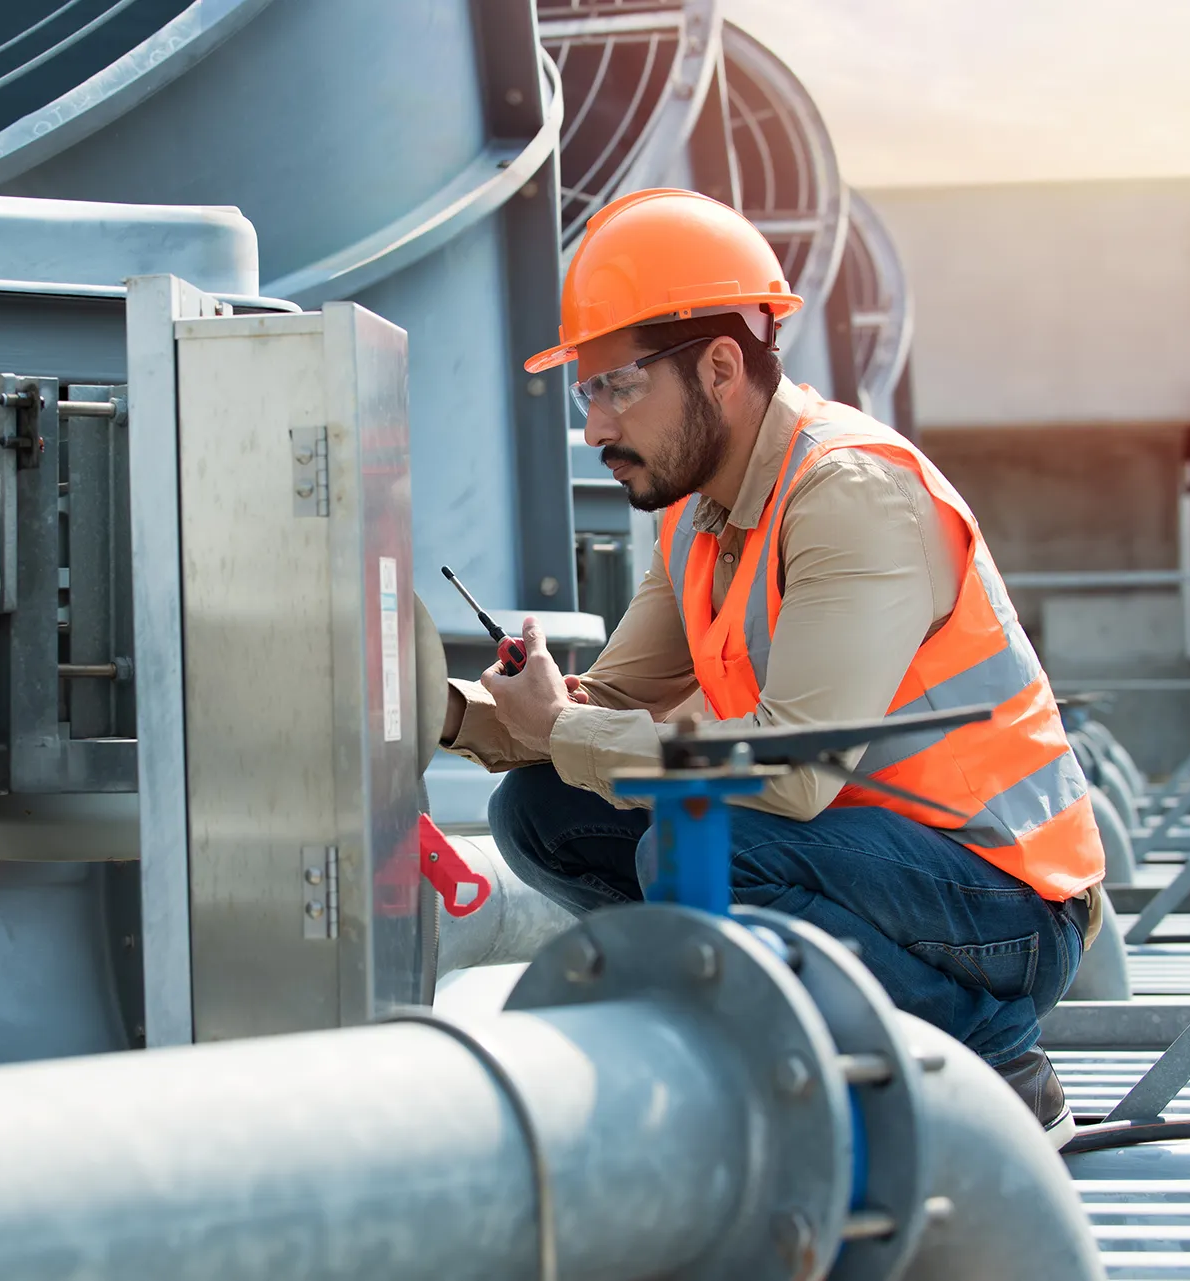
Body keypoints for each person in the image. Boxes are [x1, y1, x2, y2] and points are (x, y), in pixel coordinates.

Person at [440, 189, 1104, 1146]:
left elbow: (790, 772)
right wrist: (445, 709)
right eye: (586, 392)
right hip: (854, 859)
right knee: (541, 811)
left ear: (719, 366)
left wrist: (564, 727)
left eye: (617, 385)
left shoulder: (849, 494)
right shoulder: (698, 514)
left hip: (1002, 901)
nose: (596, 428)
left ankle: (993, 1057)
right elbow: (605, 708)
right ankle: (750, 1035)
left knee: (698, 844)